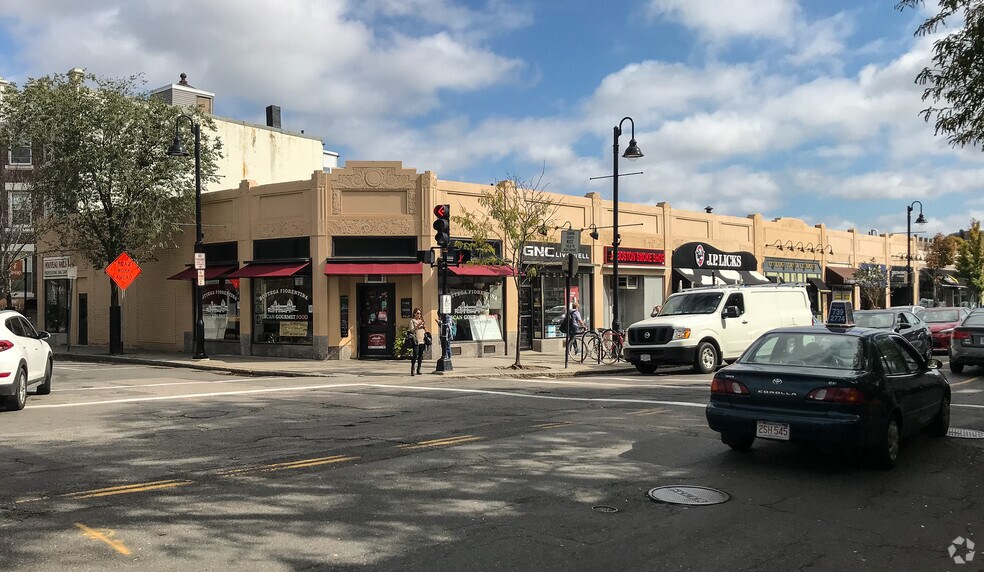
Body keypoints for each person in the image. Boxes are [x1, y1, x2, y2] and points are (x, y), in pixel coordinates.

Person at [408, 308, 427, 376]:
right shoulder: (412, 321)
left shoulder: (422, 320)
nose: (419, 315)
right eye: (417, 313)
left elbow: (426, 330)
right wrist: (418, 325)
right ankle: (412, 368)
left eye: (420, 313)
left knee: (420, 355)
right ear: (414, 314)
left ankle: (419, 369)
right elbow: (412, 330)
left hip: (422, 340)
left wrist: (424, 326)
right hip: (416, 340)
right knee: (415, 354)